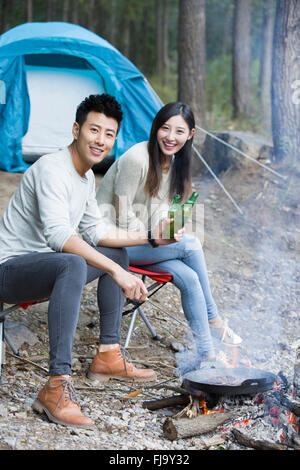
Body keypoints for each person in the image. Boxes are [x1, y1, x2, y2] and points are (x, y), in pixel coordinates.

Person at [0, 94, 183, 429]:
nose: (101, 140)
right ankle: (56, 384)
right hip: (9, 271)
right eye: (94, 130)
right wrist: (118, 273)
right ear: (76, 129)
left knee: (115, 252)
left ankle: (108, 354)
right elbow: (59, 237)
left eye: (109, 134)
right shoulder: (52, 169)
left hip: (46, 267)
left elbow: (96, 231)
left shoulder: (85, 178)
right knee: (72, 262)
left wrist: (152, 237)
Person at [96, 101, 242, 374]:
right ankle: (215, 320)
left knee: (190, 276)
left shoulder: (173, 163)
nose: (170, 137)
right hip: (111, 244)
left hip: (143, 244)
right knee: (191, 245)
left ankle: (208, 355)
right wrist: (155, 238)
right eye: (165, 128)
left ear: (190, 135)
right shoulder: (136, 159)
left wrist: (169, 229)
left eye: (179, 131)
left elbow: (159, 213)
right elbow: (121, 217)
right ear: (155, 129)